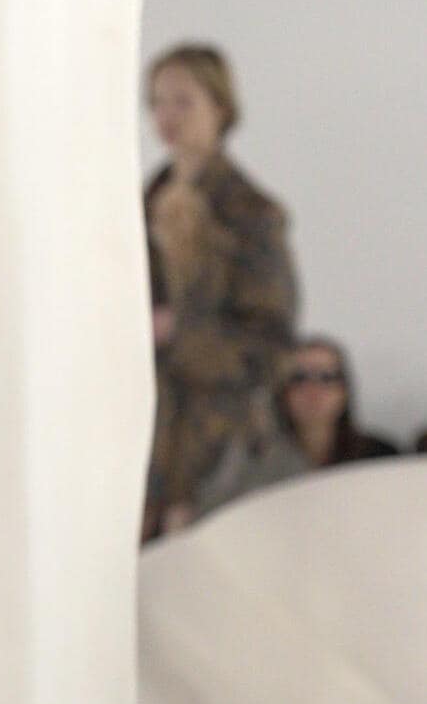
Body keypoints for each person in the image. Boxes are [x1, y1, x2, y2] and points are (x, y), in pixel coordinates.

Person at [141, 42, 298, 538]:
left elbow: (270, 343)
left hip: (215, 444)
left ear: (220, 107)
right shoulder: (137, 206)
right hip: (141, 432)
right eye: (158, 101)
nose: (167, 115)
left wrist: (178, 331)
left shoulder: (250, 214)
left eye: (183, 101)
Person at [193, 333, 400, 516]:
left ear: (344, 391)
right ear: (282, 391)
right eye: (299, 378)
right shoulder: (257, 460)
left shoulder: (380, 457)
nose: (313, 389)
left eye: (327, 377)